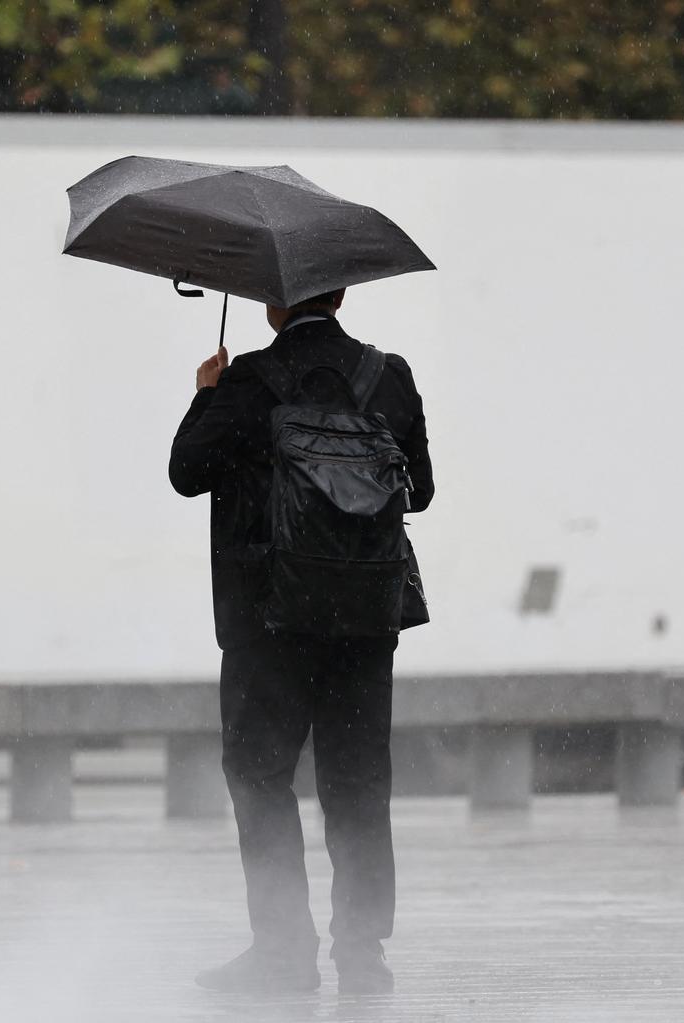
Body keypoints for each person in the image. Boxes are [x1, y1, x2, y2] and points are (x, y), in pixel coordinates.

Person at [169, 289, 434, 996]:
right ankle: (363, 953)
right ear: (341, 293)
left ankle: (284, 949)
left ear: (270, 303)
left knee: (260, 775)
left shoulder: (249, 381)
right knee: (357, 784)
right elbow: (424, 490)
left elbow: (185, 472)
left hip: (269, 623)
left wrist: (208, 394)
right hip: (364, 620)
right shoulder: (390, 377)